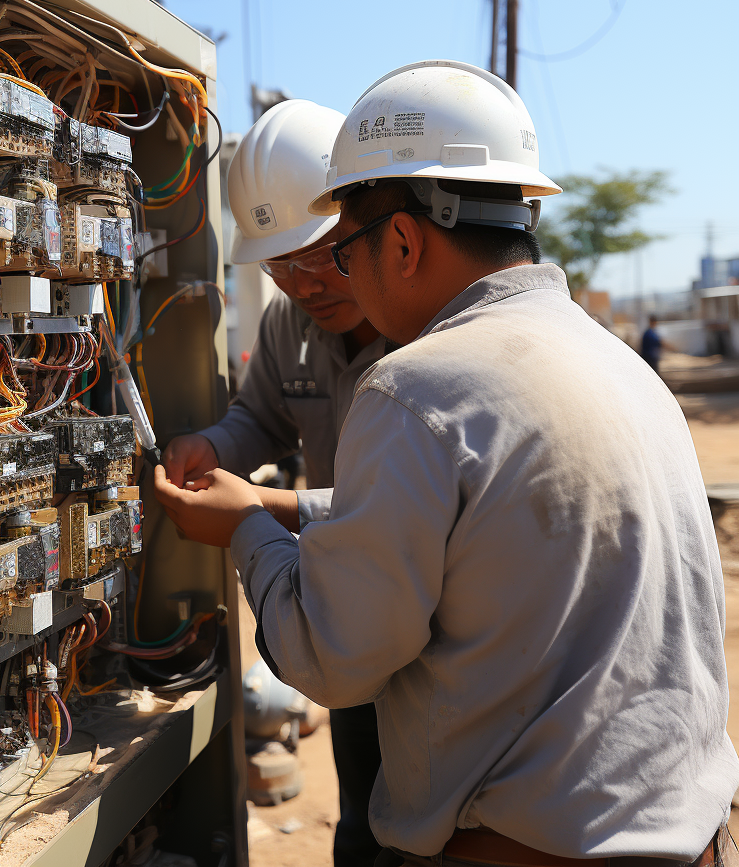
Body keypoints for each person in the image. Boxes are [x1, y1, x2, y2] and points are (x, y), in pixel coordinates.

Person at [155, 61, 739, 867]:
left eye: (343, 252)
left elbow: (333, 655)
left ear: (399, 241)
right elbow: (481, 531)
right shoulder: (622, 366)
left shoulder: (413, 387)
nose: (326, 280)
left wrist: (252, 528)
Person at [164, 98, 389, 867]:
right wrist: (211, 445)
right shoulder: (290, 327)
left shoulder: (428, 333)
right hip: (354, 613)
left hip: (432, 611)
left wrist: (264, 508)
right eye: (277, 263)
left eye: (318, 253)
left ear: (364, 225)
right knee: (365, 816)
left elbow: (413, 511)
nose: (299, 282)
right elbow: (260, 421)